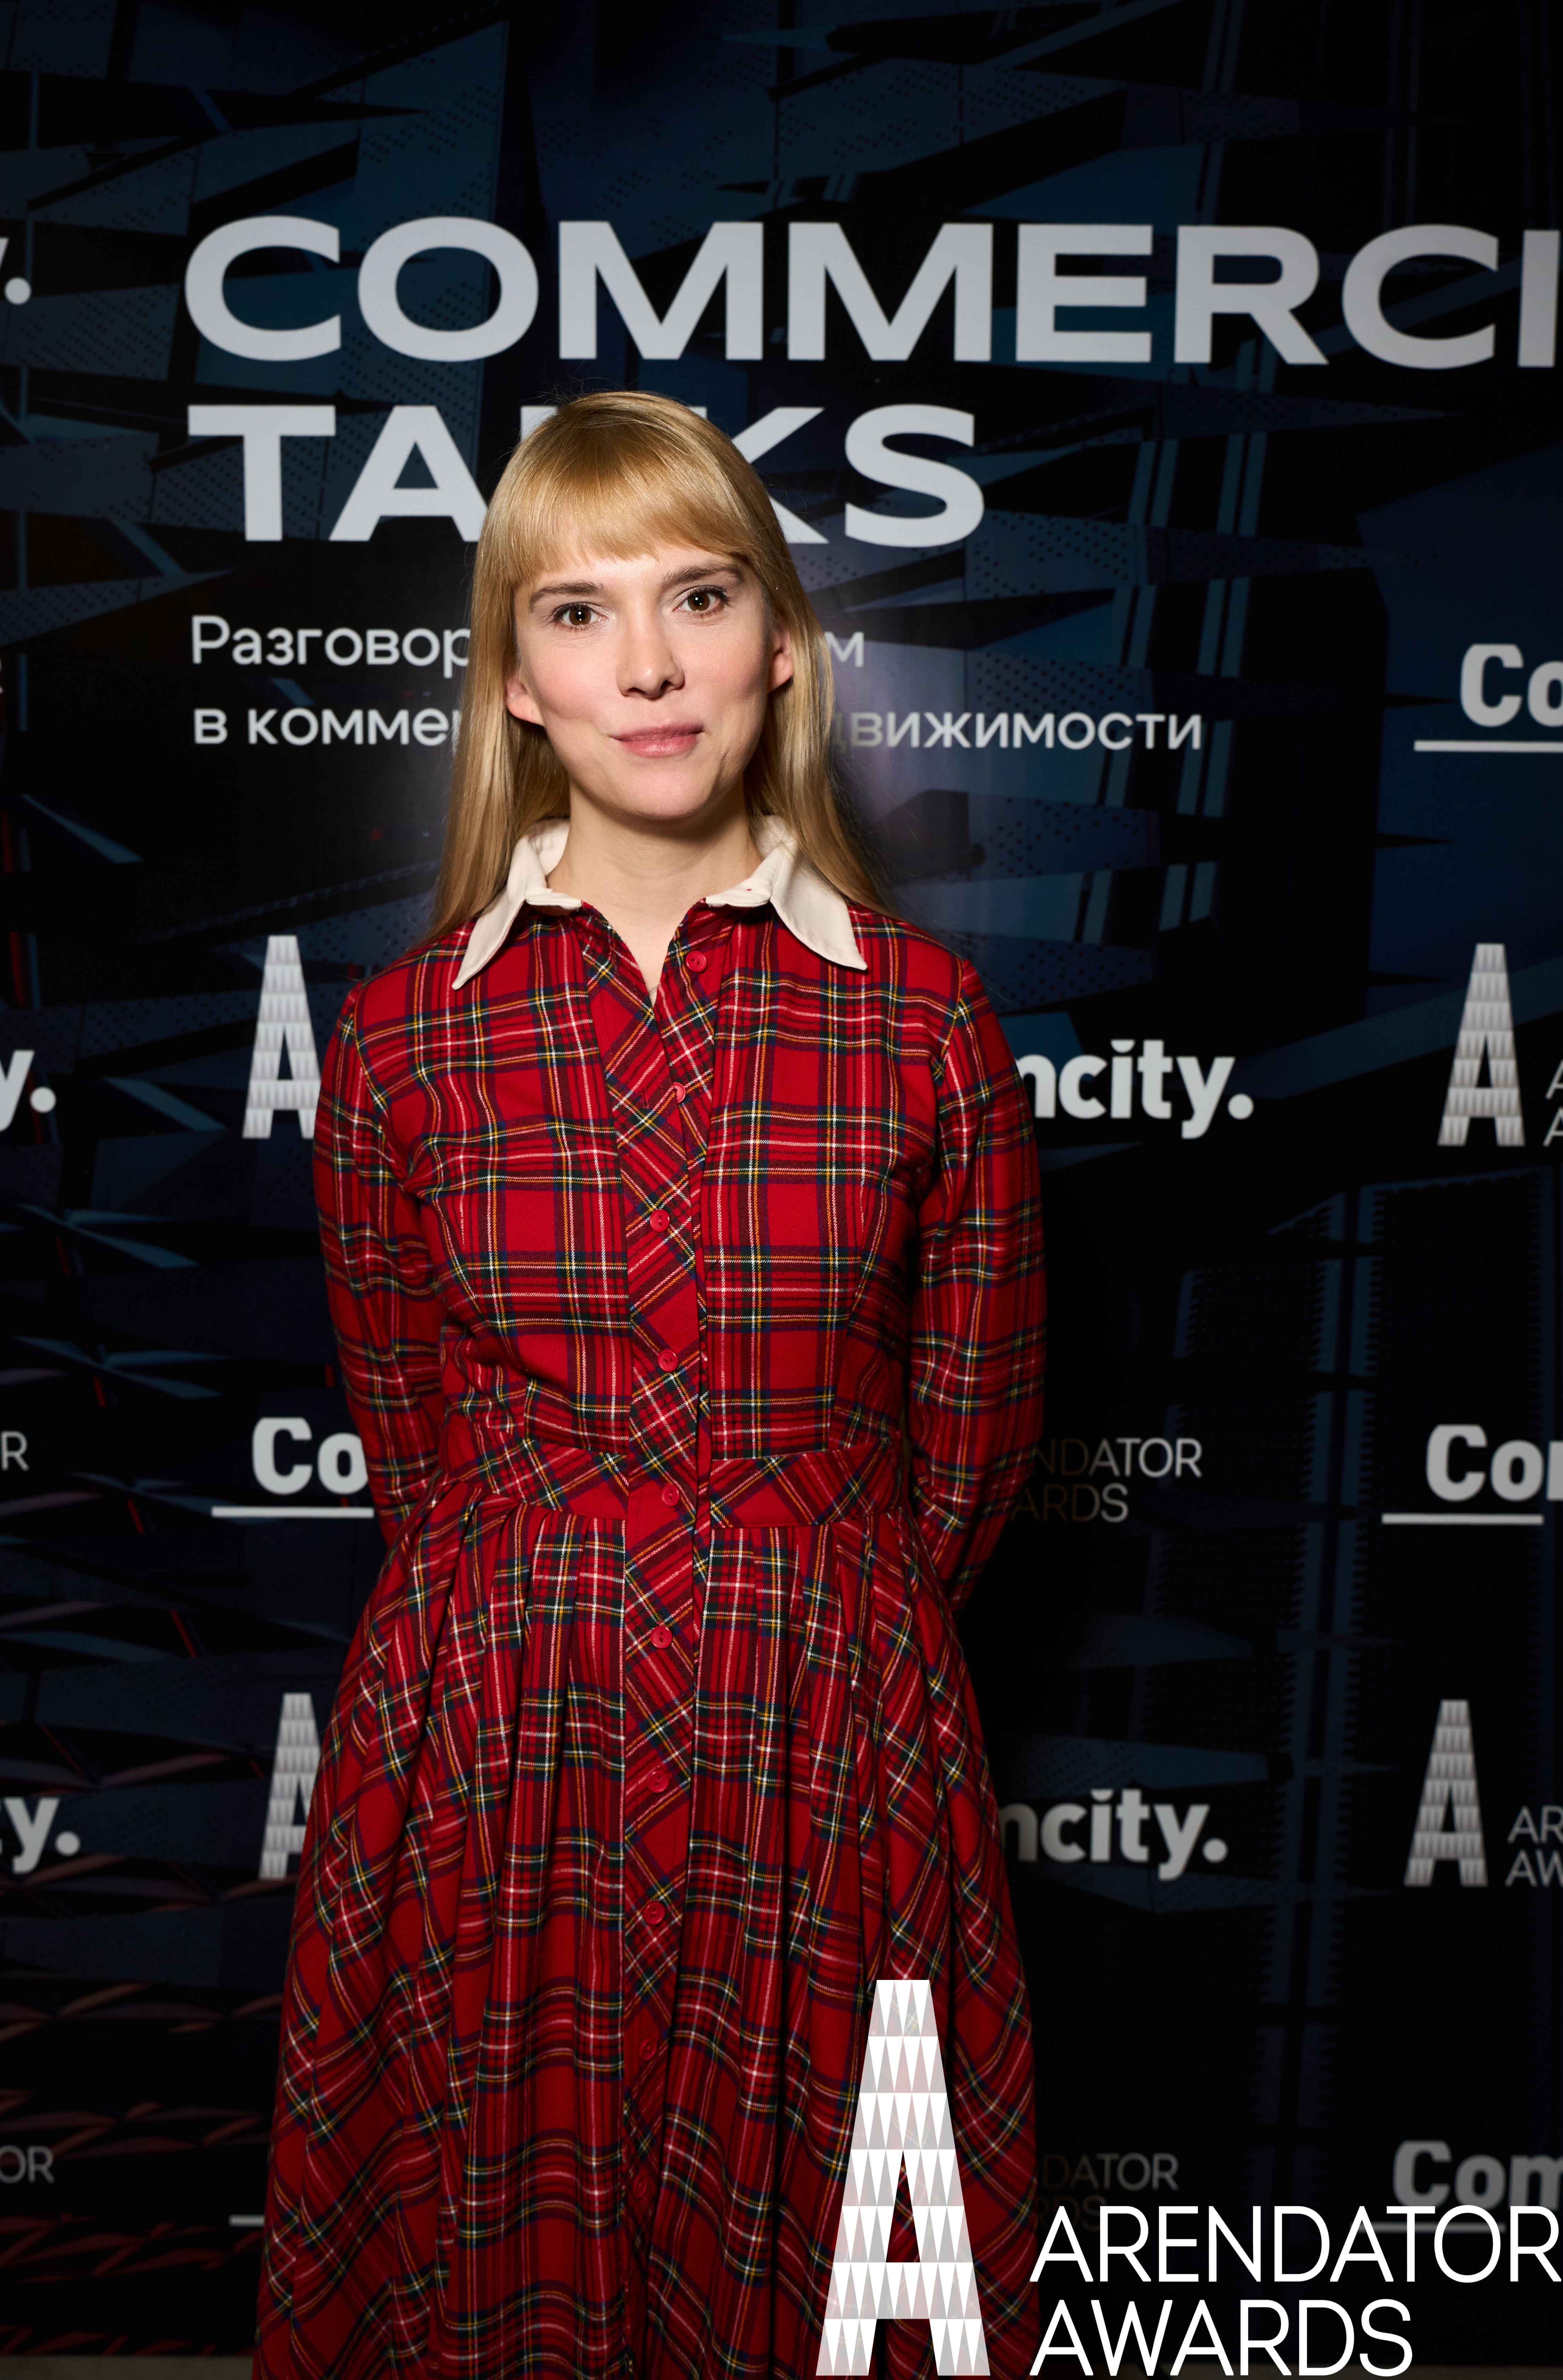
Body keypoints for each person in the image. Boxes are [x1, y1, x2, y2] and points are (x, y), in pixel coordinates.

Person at [255, 390, 1044, 2380]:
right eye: (579, 611)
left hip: (830, 1724)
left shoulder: (923, 1024)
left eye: (699, 597)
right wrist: (558, 1593)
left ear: (778, 642)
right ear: (517, 681)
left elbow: (968, 1453)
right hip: (495, 1734)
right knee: (490, 2274)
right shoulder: (401, 1043)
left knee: (840, 2285)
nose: (650, 665)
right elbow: (413, 1446)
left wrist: (808, 1609)